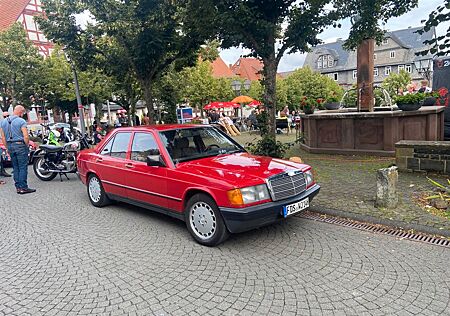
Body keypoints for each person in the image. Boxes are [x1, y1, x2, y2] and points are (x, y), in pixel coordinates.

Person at [0, 105, 36, 194]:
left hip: (10, 146)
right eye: (23, 113)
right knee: (22, 167)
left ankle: (18, 187)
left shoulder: (3, 122)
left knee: (15, 167)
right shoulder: (21, 121)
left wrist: (7, 147)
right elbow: (26, 136)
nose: (23, 115)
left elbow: (3, 137)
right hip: (20, 145)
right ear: (21, 112)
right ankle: (23, 187)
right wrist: (26, 145)